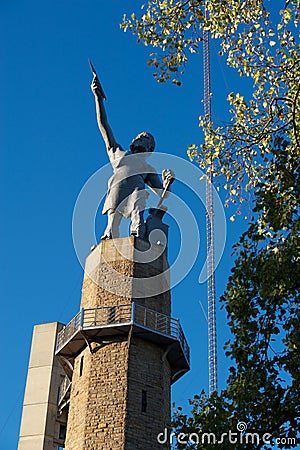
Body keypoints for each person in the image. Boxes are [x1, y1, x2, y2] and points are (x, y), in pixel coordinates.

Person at [91, 74, 174, 240]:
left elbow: (162, 195)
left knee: (138, 217)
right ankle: (110, 240)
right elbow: (104, 126)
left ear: (149, 148)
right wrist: (98, 99)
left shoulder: (148, 169)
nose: (139, 139)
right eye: (139, 137)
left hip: (137, 191)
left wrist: (167, 184)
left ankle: (138, 238)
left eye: (144, 138)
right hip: (117, 187)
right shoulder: (119, 153)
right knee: (112, 225)